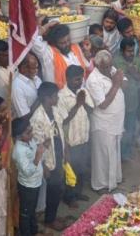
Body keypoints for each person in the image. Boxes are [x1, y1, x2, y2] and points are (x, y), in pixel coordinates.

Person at [29, 82, 67, 231]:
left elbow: (61, 131)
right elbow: (36, 146)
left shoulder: (54, 110)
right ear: (47, 98)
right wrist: (43, 166)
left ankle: (51, 215)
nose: (57, 98)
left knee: (56, 189)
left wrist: (66, 152)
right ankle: (49, 220)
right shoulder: (37, 118)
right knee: (53, 189)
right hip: (47, 160)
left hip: (57, 154)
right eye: (55, 96)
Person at [86, 50, 125, 192]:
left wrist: (119, 80)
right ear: (98, 65)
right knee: (102, 156)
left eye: (110, 65)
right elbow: (103, 104)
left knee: (114, 151)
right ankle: (100, 185)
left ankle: (114, 179)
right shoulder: (93, 80)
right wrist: (116, 84)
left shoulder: (112, 70)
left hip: (116, 121)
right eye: (105, 67)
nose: (109, 69)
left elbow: (124, 84)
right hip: (103, 123)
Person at [58, 65, 93, 207]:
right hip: (70, 141)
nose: (79, 82)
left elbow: (91, 110)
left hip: (83, 138)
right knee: (70, 171)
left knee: (81, 169)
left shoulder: (83, 91)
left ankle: (78, 193)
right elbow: (63, 120)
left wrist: (83, 102)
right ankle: (69, 197)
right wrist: (78, 104)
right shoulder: (61, 96)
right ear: (68, 79)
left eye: (81, 79)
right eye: (76, 80)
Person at [114, 36, 140, 158]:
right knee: (119, 131)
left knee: (130, 129)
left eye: (133, 50)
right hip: (118, 104)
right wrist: (132, 72)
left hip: (132, 102)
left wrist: (134, 72)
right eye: (128, 51)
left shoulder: (136, 60)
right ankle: (118, 154)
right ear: (122, 51)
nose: (131, 53)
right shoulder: (116, 61)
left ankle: (125, 154)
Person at [12, 117, 45, 236]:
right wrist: (37, 158)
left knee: (31, 211)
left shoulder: (29, 141)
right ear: (18, 136)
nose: (31, 134)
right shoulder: (19, 151)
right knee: (25, 214)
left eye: (30, 130)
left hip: (35, 183)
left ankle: (34, 232)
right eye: (28, 132)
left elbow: (39, 154)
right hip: (28, 186)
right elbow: (27, 171)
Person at [32, 23, 88, 89]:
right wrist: (46, 26)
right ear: (55, 43)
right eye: (62, 43)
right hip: (60, 96)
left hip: (82, 92)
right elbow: (33, 41)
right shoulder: (48, 53)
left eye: (68, 40)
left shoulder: (75, 47)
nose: (67, 44)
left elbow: (86, 67)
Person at [11, 53, 42, 119]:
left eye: (37, 67)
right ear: (23, 68)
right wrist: (41, 98)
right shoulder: (17, 87)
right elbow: (24, 116)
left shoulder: (37, 79)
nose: (36, 71)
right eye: (33, 68)